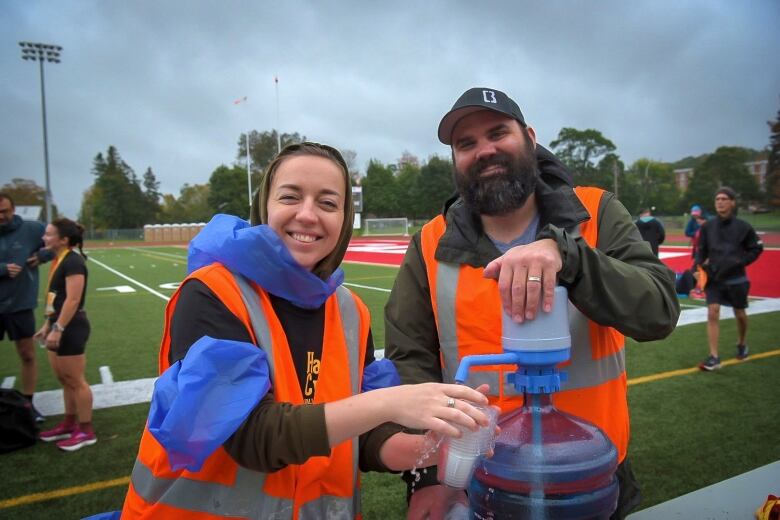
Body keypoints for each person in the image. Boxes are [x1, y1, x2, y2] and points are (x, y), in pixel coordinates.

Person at [121, 142, 491, 518]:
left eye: (328, 203)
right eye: (290, 197)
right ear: (264, 206)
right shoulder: (213, 293)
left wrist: (428, 448)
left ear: (345, 218)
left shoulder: (350, 311)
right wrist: (394, 401)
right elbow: (251, 437)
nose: (308, 215)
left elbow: (361, 435)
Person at [384, 87, 680, 519]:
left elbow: (658, 312)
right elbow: (409, 362)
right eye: (466, 144)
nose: (485, 150)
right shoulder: (430, 241)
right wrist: (427, 477)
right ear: (455, 160)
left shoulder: (596, 212)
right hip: (476, 483)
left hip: (588, 474)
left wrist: (571, 257)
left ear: (530, 137)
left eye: (498, 132)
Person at [35, 218, 95, 451]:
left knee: (76, 380)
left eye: (49, 234)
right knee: (64, 379)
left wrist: (58, 328)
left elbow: (72, 299)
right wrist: (47, 324)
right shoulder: (58, 260)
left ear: (64, 240)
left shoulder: (73, 262)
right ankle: (69, 423)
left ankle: (86, 430)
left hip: (71, 327)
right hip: (59, 325)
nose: (44, 238)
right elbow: (56, 299)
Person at [695, 187, 763, 371]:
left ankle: (741, 343)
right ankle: (714, 357)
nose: (720, 202)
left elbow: (756, 248)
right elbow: (700, 250)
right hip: (714, 278)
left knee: (740, 314)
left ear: (732, 202)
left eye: (724, 199)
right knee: (712, 312)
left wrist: (740, 261)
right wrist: (698, 267)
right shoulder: (708, 226)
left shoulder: (743, 227)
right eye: (717, 199)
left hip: (736, 279)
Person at [0, 192, 51, 423]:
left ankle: (27, 403)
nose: (2, 216)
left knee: (27, 353)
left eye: (5, 211)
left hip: (20, 303)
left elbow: (62, 239)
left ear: (13, 209)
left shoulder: (30, 229)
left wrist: (42, 255)